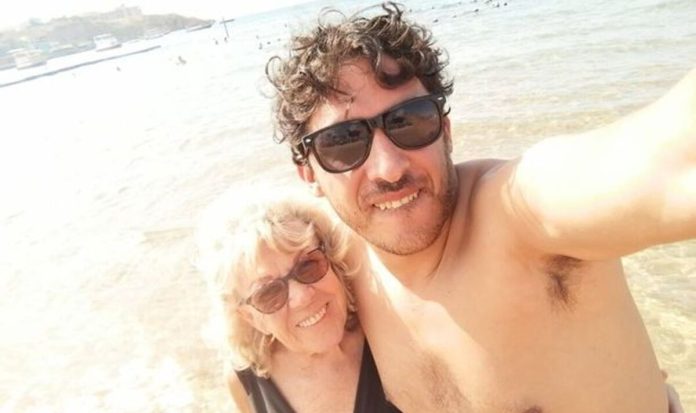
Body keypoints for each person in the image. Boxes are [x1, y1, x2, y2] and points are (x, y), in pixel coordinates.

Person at [266, 3, 694, 412]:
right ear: (309, 173)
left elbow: (669, 163)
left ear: (446, 130)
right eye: (343, 143)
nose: (389, 168)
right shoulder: (341, 271)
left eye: (410, 121)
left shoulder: (518, 215)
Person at [195, 190, 401, 413]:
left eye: (308, 265)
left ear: (332, 260)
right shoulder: (245, 383)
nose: (302, 297)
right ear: (251, 318)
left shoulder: (391, 329)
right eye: (270, 293)